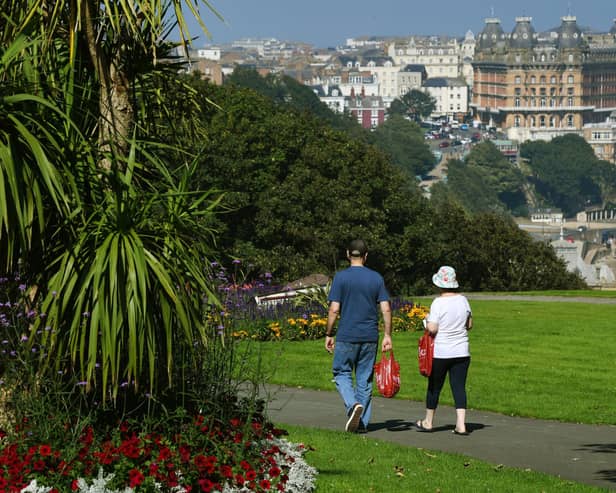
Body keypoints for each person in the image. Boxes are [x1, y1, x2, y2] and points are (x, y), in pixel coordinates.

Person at [325, 239, 392, 433]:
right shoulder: (376, 278)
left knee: (341, 373)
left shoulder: (341, 278)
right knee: (364, 379)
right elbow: (386, 308)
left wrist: (329, 333)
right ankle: (361, 424)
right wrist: (387, 334)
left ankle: (353, 404)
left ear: (347, 254)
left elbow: (334, 309)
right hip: (370, 335)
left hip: (347, 334)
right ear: (366, 255)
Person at [416, 265, 472, 435]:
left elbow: (432, 328)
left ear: (439, 284)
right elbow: (469, 325)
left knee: (434, 386)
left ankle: (428, 421)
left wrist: (426, 321)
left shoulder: (438, 303)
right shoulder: (463, 300)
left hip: (441, 351)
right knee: (459, 387)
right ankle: (461, 424)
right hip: (462, 350)